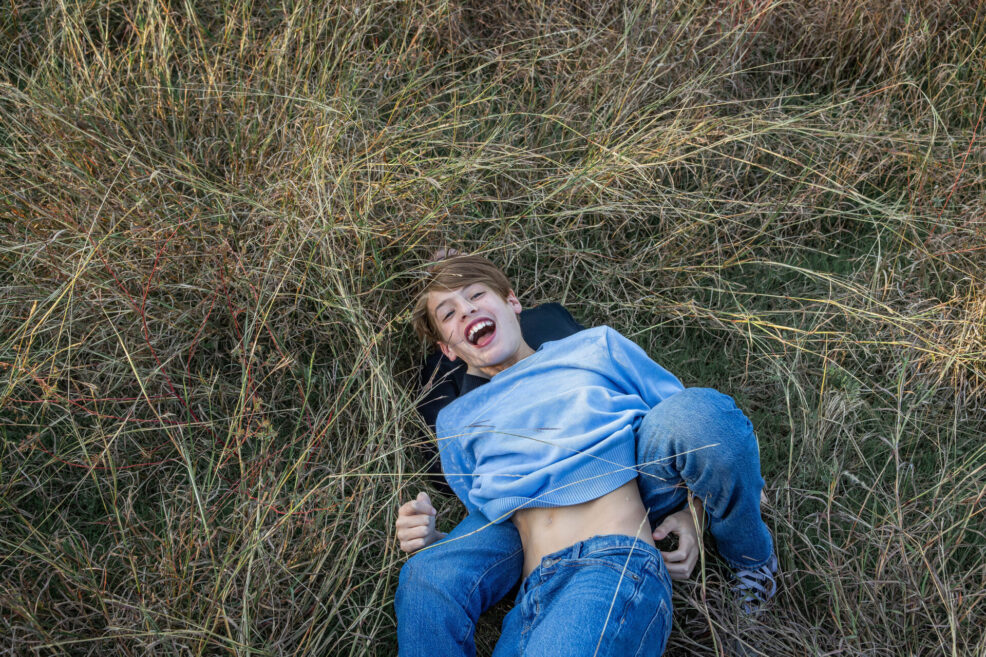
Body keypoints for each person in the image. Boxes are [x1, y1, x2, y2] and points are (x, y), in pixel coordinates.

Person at [395, 254, 777, 657]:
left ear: (512, 302)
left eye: (476, 294)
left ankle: (752, 558)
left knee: (703, 411)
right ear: (447, 348)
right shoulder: (456, 421)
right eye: (449, 312)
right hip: (533, 587)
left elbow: (687, 422)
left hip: (612, 556)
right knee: (422, 576)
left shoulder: (594, 347)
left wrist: (694, 514)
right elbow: (491, 517)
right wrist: (434, 539)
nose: (467, 309)